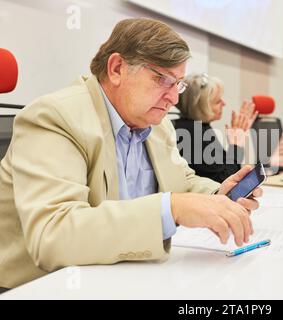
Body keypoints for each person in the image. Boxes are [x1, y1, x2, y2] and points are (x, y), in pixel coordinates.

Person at [0, 18, 262, 290]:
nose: (173, 98)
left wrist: (217, 196)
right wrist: (172, 209)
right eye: (162, 79)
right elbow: (53, 235)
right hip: (42, 287)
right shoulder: (55, 117)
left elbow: (183, 181)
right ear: (116, 69)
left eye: (178, 84)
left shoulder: (157, 125)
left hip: (117, 277)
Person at [173, 73, 257, 183]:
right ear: (201, 106)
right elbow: (225, 179)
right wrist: (236, 146)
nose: (224, 103)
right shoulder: (192, 133)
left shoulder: (199, 126)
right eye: (218, 101)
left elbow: (222, 167)